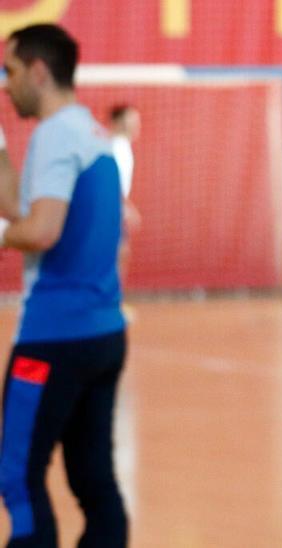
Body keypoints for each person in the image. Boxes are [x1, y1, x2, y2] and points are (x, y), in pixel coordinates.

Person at [0, 24, 129, 547]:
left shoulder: (55, 137)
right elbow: (21, 210)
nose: (4, 86)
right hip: (102, 334)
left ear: (38, 70)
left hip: (54, 338)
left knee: (17, 475)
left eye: (9, 72)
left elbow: (40, 230)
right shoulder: (86, 131)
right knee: (93, 479)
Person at [108, 104, 141, 286]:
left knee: (119, 253)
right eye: (131, 120)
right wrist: (127, 208)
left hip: (113, 208)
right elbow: (112, 182)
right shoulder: (117, 147)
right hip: (110, 209)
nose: (136, 124)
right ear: (118, 123)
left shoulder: (122, 146)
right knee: (117, 253)